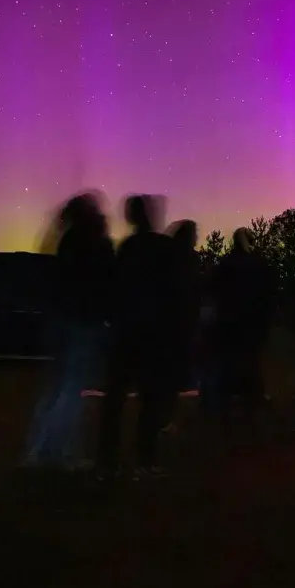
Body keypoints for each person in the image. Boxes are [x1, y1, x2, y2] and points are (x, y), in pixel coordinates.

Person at [23, 193, 115, 469]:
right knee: (71, 391)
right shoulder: (96, 242)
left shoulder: (67, 241)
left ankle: (41, 450)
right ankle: (54, 452)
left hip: (62, 321)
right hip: (85, 323)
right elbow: (106, 283)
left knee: (56, 389)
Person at [97, 196, 179, 478]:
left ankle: (107, 461)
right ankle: (144, 460)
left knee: (116, 398)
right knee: (150, 398)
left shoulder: (128, 248)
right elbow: (174, 291)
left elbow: (115, 288)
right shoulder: (164, 248)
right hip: (154, 332)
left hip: (126, 330)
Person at [210, 228, 275, 433]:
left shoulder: (226, 264)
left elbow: (215, 292)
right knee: (251, 371)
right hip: (250, 328)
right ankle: (250, 414)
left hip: (230, 327)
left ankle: (226, 413)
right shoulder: (258, 265)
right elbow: (266, 297)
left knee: (229, 370)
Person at [159, 220, 201, 434]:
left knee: (168, 377)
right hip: (180, 325)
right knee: (173, 377)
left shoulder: (168, 258)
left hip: (171, 325)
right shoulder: (188, 261)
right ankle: (167, 419)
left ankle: (163, 418)